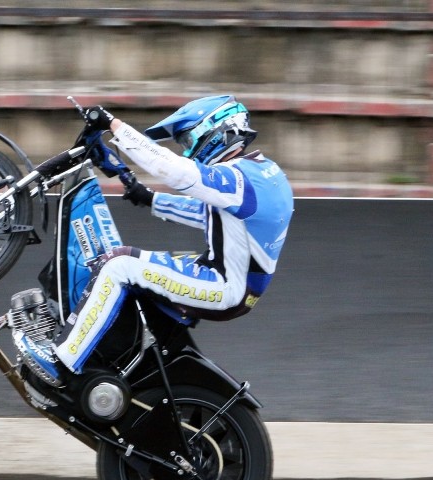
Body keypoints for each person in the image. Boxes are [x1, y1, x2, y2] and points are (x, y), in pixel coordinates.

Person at [16, 95, 294, 386]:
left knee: (119, 264)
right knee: (124, 266)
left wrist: (114, 125)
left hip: (225, 287)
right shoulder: (260, 172)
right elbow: (207, 214)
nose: (187, 149)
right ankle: (104, 355)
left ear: (216, 131)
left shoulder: (241, 178)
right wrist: (147, 197)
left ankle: (62, 362)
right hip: (228, 284)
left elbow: (176, 172)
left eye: (187, 140)